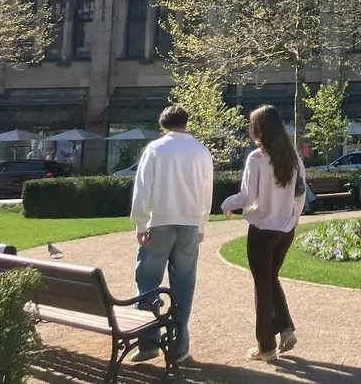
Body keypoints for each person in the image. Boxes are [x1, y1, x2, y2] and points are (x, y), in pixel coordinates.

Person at [130, 105, 214, 365]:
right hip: (189, 224)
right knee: (184, 286)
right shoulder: (201, 151)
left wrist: (140, 223)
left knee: (148, 282)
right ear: (185, 124)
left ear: (162, 125)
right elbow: (207, 191)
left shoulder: (155, 149)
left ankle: (149, 342)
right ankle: (178, 347)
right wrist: (201, 225)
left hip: (159, 222)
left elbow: (143, 188)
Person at [222, 105, 307, 363]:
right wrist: (294, 219)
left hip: (262, 230)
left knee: (262, 285)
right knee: (270, 279)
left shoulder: (257, 158)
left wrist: (226, 204)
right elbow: (300, 193)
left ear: (258, 129)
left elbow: (247, 196)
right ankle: (285, 327)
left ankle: (266, 346)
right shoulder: (293, 157)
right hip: (285, 229)